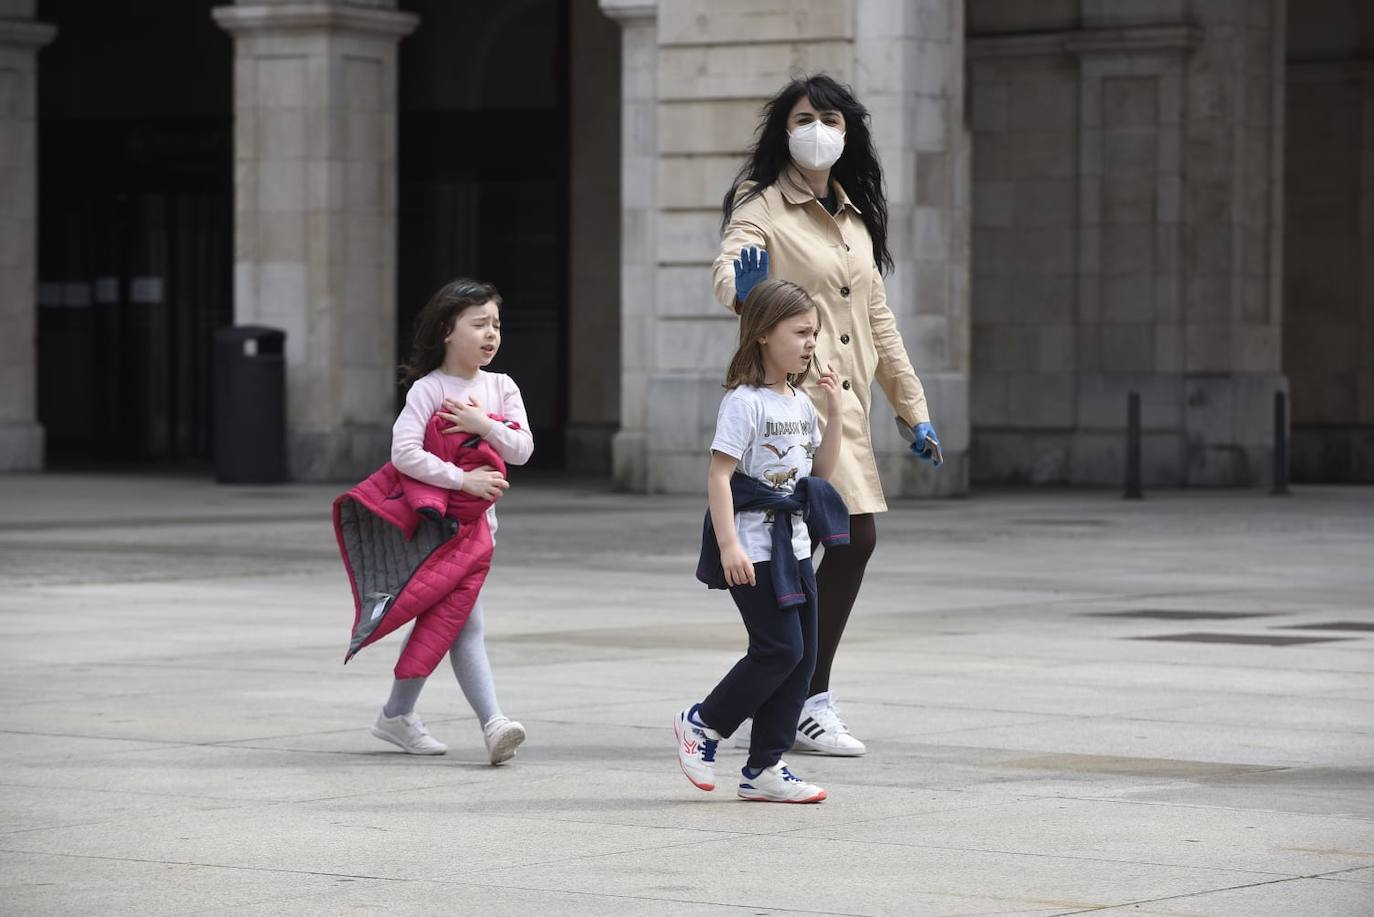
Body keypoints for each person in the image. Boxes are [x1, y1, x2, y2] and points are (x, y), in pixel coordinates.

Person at [712, 74, 941, 757]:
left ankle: (785, 688)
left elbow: (879, 319)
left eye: (831, 118)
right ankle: (805, 694)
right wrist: (742, 291)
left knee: (827, 544)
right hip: (789, 406)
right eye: (805, 116)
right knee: (848, 538)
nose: (818, 128)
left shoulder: (854, 219)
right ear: (785, 128)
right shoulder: (761, 206)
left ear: (848, 133)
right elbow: (731, 267)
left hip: (844, 406)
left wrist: (914, 408)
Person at [675, 279, 849, 804]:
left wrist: (835, 412)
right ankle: (702, 722)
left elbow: (819, 472)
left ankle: (764, 769)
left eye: (814, 333)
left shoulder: (798, 401)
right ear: (763, 335)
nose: (810, 343)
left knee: (802, 658)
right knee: (778, 649)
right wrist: (730, 546)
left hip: (794, 548)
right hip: (754, 548)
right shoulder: (743, 403)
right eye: (800, 332)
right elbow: (719, 477)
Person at [370, 278, 531, 764]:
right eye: (479, 324)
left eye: (496, 325)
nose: (491, 335)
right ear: (446, 330)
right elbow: (403, 455)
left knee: (448, 623)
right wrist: (462, 483)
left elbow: (522, 450)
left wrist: (486, 426)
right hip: (436, 533)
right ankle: (493, 722)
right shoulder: (429, 389)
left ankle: (396, 715)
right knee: (463, 624)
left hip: (479, 532)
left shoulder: (501, 386)